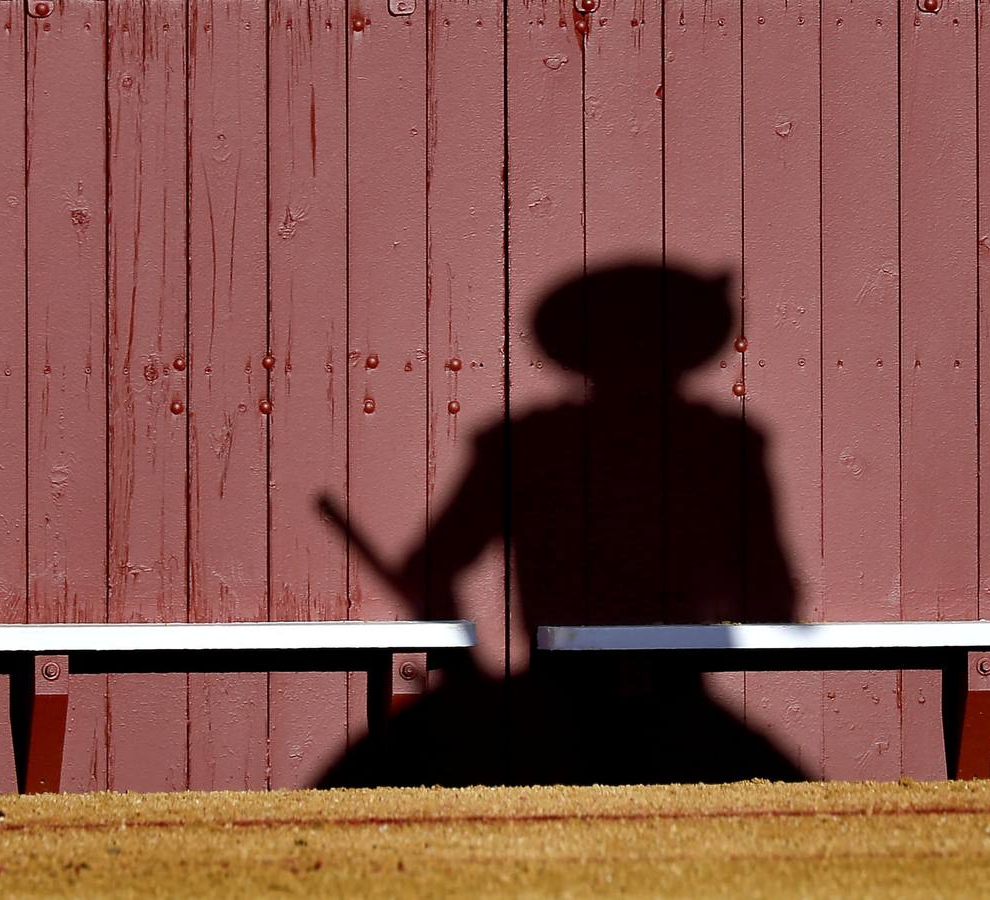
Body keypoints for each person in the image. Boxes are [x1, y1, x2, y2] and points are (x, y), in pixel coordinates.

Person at [320, 263, 804, 786]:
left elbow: (427, 568)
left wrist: (467, 677)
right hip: (672, 704)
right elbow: (772, 599)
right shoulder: (723, 446)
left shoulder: (526, 443)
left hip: (554, 707)